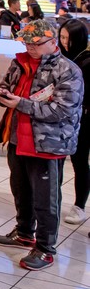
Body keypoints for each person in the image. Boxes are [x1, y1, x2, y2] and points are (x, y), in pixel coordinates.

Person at [0, 19, 83, 270]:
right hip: (17, 139)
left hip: (48, 145)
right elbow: (5, 86)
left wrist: (19, 103)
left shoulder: (68, 70)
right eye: (27, 42)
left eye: (36, 43)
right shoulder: (19, 62)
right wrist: (4, 96)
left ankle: (45, 248)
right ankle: (23, 233)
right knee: (20, 190)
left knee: (46, 200)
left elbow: (61, 110)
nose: (30, 47)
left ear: (54, 43)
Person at [58, 19, 90, 226]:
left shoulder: (86, 61)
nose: (63, 42)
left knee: (80, 161)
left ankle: (80, 205)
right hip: (65, 118)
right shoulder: (59, 58)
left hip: (85, 119)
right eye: (61, 37)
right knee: (68, 160)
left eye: (67, 39)